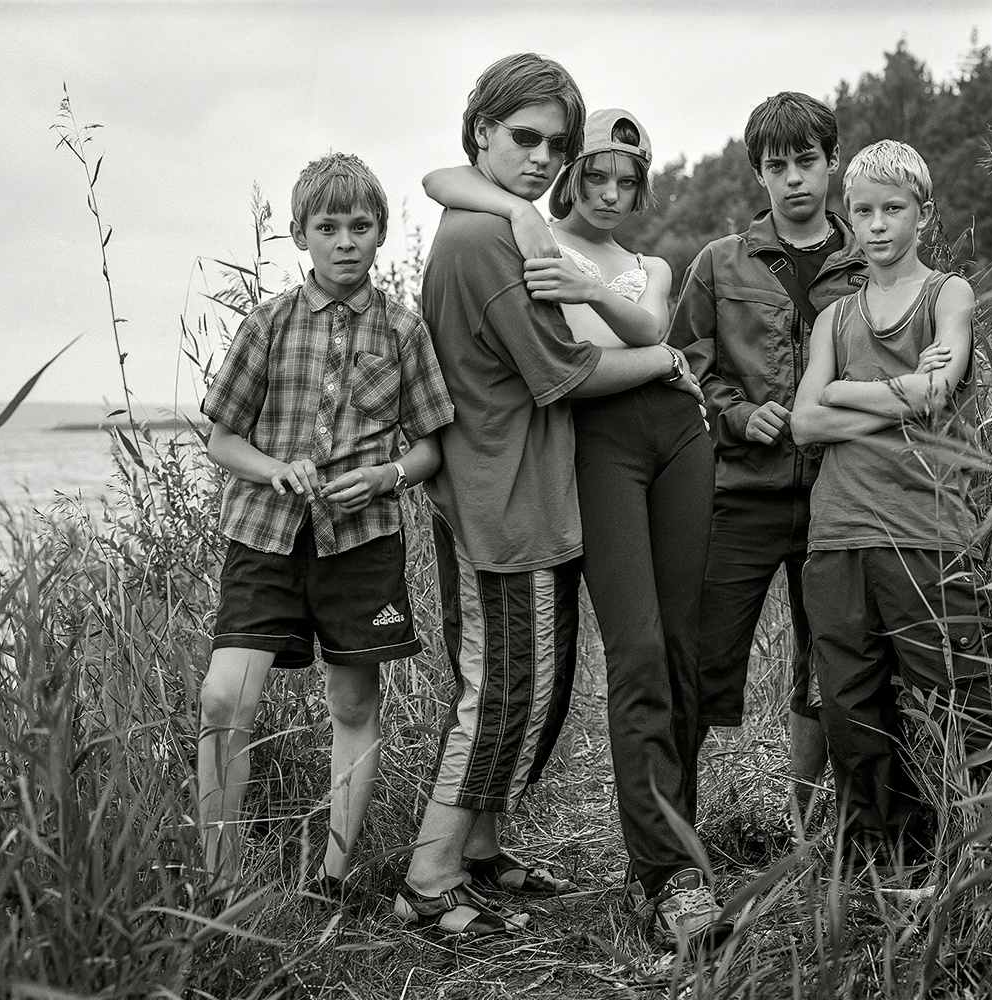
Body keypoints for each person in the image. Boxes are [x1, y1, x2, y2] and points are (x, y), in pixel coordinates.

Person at [396, 54, 705, 940]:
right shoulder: (485, 240)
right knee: (501, 693)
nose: (540, 159)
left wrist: (517, 208)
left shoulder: (488, 219)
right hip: (506, 498)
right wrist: (667, 358)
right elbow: (562, 372)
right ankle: (429, 877)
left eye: (554, 146)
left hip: (521, 486)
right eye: (524, 139)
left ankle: (480, 850)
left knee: (531, 684)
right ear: (481, 132)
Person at [197, 152, 454, 904]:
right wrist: (275, 466)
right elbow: (222, 440)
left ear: (380, 234)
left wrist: (385, 476)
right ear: (299, 235)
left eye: (360, 227)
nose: (345, 241)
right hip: (265, 537)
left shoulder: (404, 331)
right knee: (223, 700)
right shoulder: (268, 323)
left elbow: (431, 446)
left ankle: (331, 880)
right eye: (328, 227)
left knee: (352, 704)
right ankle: (218, 883)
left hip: (361, 544)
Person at [793, 139, 992, 895]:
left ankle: (988, 858)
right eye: (862, 211)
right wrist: (898, 395)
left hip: (925, 528)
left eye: (892, 209)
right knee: (852, 709)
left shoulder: (948, 294)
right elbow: (803, 424)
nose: (877, 225)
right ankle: (887, 868)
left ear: (923, 214)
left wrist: (844, 393)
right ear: (847, 218)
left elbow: (936, 392)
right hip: (837, 531)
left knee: (960, 695)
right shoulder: (834, 316)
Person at [667, 93, 866, 833]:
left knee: (830, 667)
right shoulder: (719, 264)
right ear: (758, 173)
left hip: (840, 498)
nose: (794, 179)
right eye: (777, 166)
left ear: (832, 161)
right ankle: (673, 847)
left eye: (806, 161)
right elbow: (684, 366)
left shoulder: (867, 262)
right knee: (700, 660)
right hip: (739, 496)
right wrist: (738, 413)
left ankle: (808, 831)